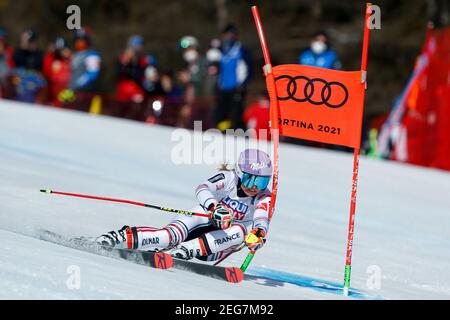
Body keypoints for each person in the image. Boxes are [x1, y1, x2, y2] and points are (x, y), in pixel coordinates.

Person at [95, 148, 273, 262]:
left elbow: (261, 218)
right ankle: (120, 238)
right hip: (202, 222)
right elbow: (202, 188)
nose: (256, 187)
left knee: (240, 231)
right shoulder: (228, 178)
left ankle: (184, 250)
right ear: (240, 173)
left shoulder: (263, 196)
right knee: (178, 227)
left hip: (215, 247)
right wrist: (213, 207)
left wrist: (259, 234)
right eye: (252, 180)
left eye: (263, 182)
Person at [215, 24, 253, 131]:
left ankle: (241, 134)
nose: (228, 37)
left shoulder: (241, 50)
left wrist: (243, 84)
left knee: (237, 113)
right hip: (223, 88)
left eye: (231, 34)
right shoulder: (220, 50)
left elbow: (249, 68)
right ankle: (224, 132)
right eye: (226, 34)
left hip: (237, 88)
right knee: (220, 113)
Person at [68, 27, 101, 111]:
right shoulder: (75, 55)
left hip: (85, 94)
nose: (79, 42)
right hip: (72, 92)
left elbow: (92, 74)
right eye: (78, 39)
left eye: (82, 39)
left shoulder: (92, 55)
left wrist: (77, 85)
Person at [12, 29, 47, 103]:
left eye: (32, 40)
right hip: (20, 80)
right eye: (28, 41)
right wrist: (23, 48)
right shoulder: (19, 52)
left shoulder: (39, 54)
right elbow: (16, 63)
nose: (30, 43)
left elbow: (39, 67)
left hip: (34, 82)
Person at [42, 37, 72, 107]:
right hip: (52, 92)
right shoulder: (51, 59)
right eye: (59, 50)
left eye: (64, 49)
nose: (62, 52)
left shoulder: (70, 61)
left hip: (66, 92)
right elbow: (46, 73)